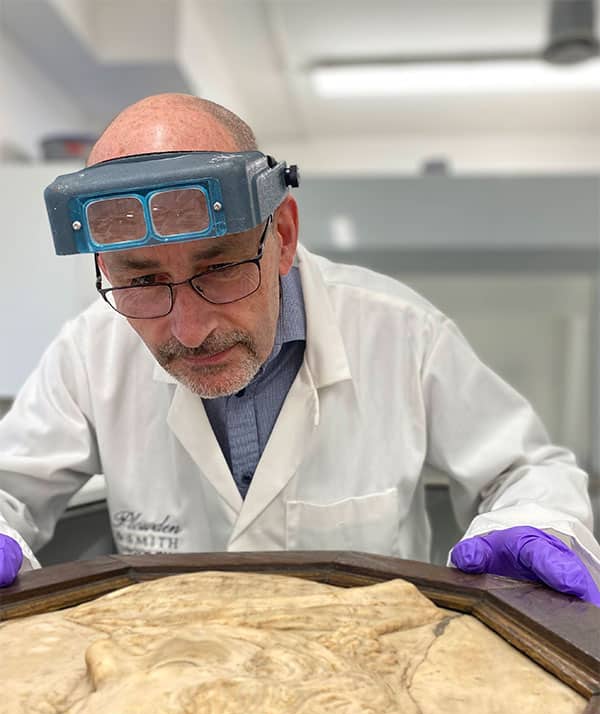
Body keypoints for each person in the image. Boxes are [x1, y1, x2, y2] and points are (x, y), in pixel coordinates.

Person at [0, 93, 599, 605]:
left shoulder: (401, 332)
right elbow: (9, 488)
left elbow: (522, 468)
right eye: (141, 280)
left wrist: (534, 523)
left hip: (371, 677)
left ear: (282, 236)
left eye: (222, 267)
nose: (187, 330)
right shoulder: (89, 351)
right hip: (169, 677)